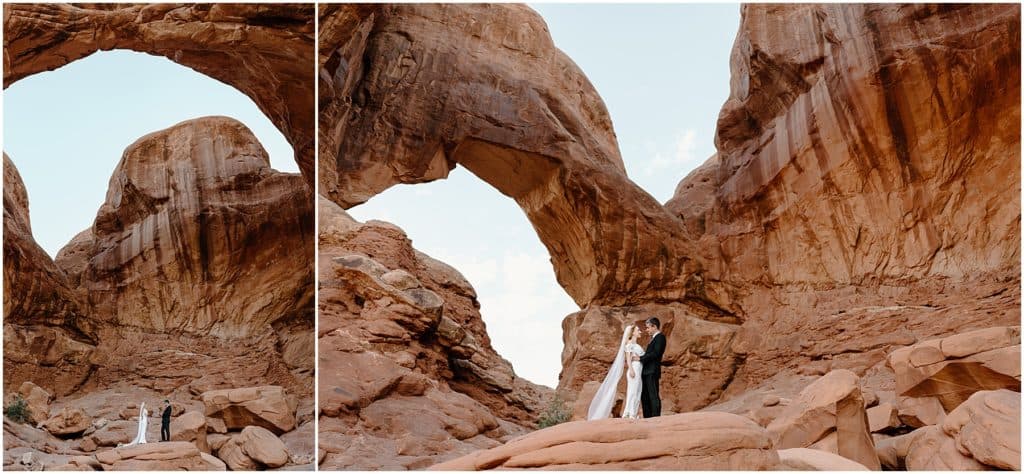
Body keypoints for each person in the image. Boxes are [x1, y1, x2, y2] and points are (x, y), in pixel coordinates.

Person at [638, 317, 666, 418]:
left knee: (653, 395)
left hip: (652, 371)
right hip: (646, 371)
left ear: (654, 326)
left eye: (648, 327)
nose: (647, 330)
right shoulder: (654, 338)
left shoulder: (660, 337)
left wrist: (640, 358)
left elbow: (656, 353)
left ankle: (655, 417)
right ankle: (647, 417)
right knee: (645, 396)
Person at [622, 325, 645, 419]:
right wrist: (631, 370)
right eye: (638, 330)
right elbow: (628, 358)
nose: (640, 332)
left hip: (639, 370)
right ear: (633, 333)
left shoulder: (637, 345)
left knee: (637, 390)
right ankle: (630, 414)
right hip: (634, 369)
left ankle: (632, 412)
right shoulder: (629, 343)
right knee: (633, 391)